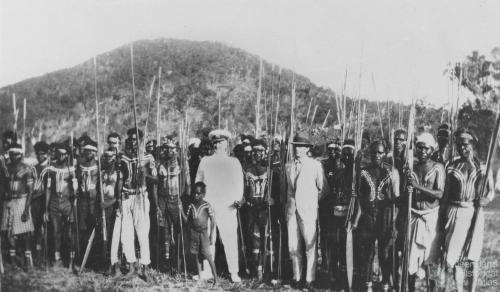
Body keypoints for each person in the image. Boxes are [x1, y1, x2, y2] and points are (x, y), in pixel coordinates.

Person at [442, 128, 494, 292]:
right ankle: (459, 290)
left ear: (473, 145)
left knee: (473, 258)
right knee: (456, 257)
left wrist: (485, 200)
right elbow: (445, 193)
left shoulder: (483, 167)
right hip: (454, 212)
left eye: (465, 145)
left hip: (474, 212)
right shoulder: (451, 165)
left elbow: (491, 192)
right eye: (459, 145)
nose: (462, 148)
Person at [195, 129, 244, 283]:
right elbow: (198, 182)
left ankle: (234, 272)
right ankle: (208, 270)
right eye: (215, 142)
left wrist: (237, 200)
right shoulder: (205, 161)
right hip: (209, 205)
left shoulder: (234, 162)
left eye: (221, 142)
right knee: (208, 239)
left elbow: (239, 184)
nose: (218, 145)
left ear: (226, 143)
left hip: (228, 206)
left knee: (229, 239)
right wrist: (201, 202)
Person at [352, 140, 399, 292]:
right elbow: (360, 197)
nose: (376, 155)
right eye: (374, 152)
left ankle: (385, 284)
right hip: (368, 217)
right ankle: (368, 285)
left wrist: (393, 221)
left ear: (385, 154)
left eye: (380, 152)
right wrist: (356, 220)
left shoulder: (391, 172)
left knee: (385, 253)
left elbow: (396, 199)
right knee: (368, 252)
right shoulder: (363, 171)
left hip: (385, 217)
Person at [113, 131, 157, 280]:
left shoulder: (148, 157)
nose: (132, 142)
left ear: (140, 140)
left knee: (143, 233)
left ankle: (145, 268)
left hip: (140, 197)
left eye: (135, 140)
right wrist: (118, 200)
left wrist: (144, 174)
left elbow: (156, 179)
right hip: (126, 197)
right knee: (126, 235)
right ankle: (131, 267)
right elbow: (119, 179)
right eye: (130, 140)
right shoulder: (122, 157)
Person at [405, 133, 445, 292]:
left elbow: (440, 194)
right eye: (419, 147)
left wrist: (416, 186)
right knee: (411, 261)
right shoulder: (411, 168)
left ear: (432, 150)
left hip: (430, 218)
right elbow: (406, 193)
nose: (422, 151)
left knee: (430, 259)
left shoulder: (437, 167)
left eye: (426, 148)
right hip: (414, 216)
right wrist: (407, 190)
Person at [285, 132, 325, 289]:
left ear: (307, 149)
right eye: (295, 146)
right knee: (293, 246)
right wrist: (288, 206)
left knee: (310, 245)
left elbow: (323, 189)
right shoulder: (288, 166)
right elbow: (286, 189)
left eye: (301, 147)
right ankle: (297, 276)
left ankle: (310, 279)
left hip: (308, 211)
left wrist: (312, 202)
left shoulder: (315, 165)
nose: (297, 149)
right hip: (291, 210)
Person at [154, 137, 190, 271]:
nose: (169, 150)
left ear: (176, 149)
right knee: (164, 229)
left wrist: (183, 198)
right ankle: (166, 261)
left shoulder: (181, 162)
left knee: (179, 228)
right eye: (167, 148)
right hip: (163, 199)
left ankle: (179, 261)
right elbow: (156, 182)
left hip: (176, 198)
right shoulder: (160, 162)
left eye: (172, 148)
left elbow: (187, 183)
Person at [0, 143, 35, 270]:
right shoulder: (6, 168)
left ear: (20, 154)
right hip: (9, 203)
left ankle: (27, 261)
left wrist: (26, 209)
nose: (13, 157)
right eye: (11, 154)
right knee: (10, 233)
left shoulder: (27, 169)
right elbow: (3, 185)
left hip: (22, 201)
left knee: (25, 233)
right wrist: (5, 193)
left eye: (15, 154)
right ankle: (13, 261)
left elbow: (31, 191)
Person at [44, 143, 77, 268]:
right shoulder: (51, 169)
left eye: (64, 154)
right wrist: (46, 209)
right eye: (59, 153)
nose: (61, 156)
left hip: (67, 204)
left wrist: (73, 209)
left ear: (68, 155)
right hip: (54, 203)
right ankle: (57, 259)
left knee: (69, 233)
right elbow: (48, 189)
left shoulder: (71, 170)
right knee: (56, 232)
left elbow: (75, 192)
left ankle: (71, 259)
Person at [243, 139, 270, 280]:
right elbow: (245, 191)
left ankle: (263, 270)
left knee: (264, 239)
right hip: (252, 209)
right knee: (253, 240)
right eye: (255, 151)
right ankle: (254, 270)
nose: (257, 154)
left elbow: (273, 192)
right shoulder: (248, 170)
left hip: (264, 210)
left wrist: (269, 200)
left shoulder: (270, 170)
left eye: (260, 151)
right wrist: (244, 201)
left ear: (265, 152)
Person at [179, 181, 217, 284]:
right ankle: (200, 276)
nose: (196, 195)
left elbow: (213, 220)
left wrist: (211, 235)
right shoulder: (191, 205)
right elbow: (186, 220)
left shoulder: (206, 205)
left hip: (204, 233)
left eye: (198, 193)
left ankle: (215, 278)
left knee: (207, 255)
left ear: (203, 194)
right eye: (194, 193)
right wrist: (181, 209)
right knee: (197, 254)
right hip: (194, 232)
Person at [75, 139, 99, 268]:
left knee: (94, 229)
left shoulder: (99, 166)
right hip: (83, 202)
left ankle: (93, 259)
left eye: (91, 151)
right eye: (87, 151)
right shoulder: (80, 165)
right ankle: (82, 258)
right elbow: (77, 182)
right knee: (83, 229)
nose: (89, 153)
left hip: (94, 202)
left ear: (95, 152)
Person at [320, 139, 342, 274]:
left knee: (337, 235)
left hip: (339, 205)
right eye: (330, 149)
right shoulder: (323, 164)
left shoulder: (342, 165)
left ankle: (336, 263)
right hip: (325, 204)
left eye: (335, 149)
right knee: (324, 233)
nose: (332, 152)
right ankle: (325, 261)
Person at [100, 149, 122, 276]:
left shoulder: (119, 173)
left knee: (116, 236)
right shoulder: (103, 171)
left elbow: (119, 194)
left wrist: (109, 203)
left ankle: (117, 266)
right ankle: (108, 264)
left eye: (110, 157)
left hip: (114, 207)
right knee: (106, 235)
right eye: (106, 157)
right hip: (104, 207)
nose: (108, 159)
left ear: (114, 158)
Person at [31, 141, 50, 264]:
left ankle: (46, 255)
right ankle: (37, 254)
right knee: (36, 228)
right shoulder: (33, 167)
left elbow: (49, 188)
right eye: (38, 154)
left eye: (42, 154)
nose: (39, 156)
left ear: (47, 154)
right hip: (34, 203)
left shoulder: (50, 168)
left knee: (46, 228)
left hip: (45, 201)